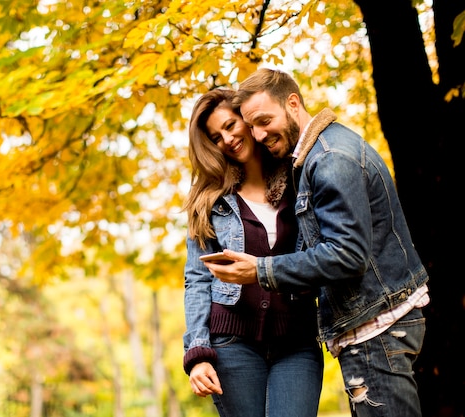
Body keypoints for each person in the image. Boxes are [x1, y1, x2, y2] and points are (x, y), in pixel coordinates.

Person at [203, 68, 430, 417]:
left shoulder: (329, 158)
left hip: (377, 324)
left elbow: (347, 254)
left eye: (265, 120)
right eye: (253, 127)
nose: (260, 135)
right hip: (372, 323)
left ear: (293, 103)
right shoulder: (317, 156)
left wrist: (260, 270)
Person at [182, 88, 323, 417]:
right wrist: (198, 352)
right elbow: (197, 280)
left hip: (296, 341)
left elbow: (325, 254)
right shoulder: (210, 201)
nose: (227, 139)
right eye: (216, 137)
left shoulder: (299, 178)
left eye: (230, 126)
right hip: (231, 344)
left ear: (247, 121)